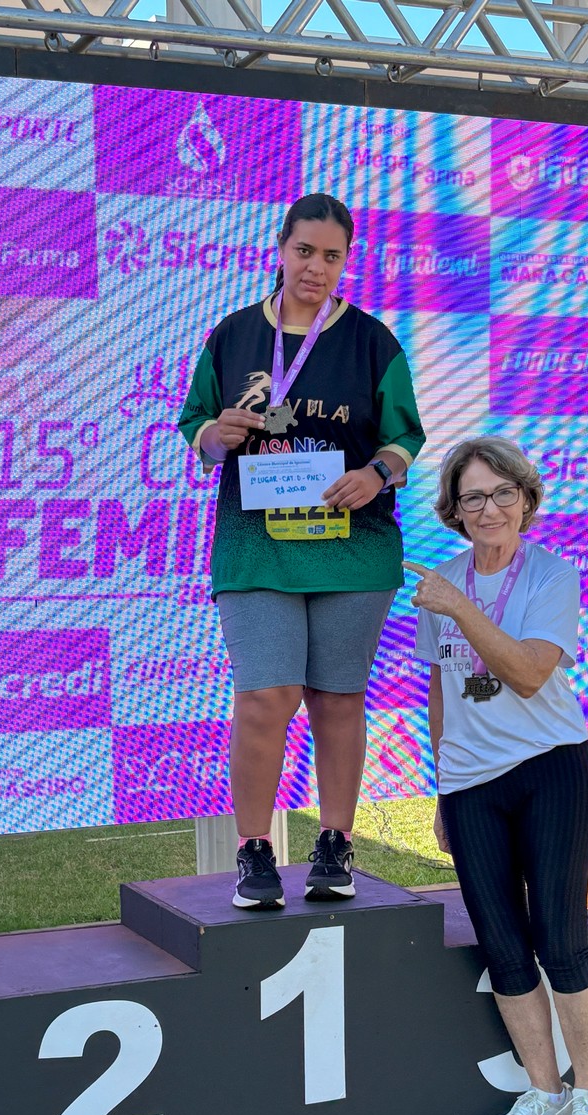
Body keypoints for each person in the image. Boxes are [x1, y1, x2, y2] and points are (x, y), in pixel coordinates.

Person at [178, 193, 426, 910]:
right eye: (304, 251)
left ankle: (334, 843)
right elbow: (195, 421)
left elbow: (406, 436)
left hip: (354, 548)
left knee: (337, 701)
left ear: (345, 262)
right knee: (264, 698)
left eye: (331, 256)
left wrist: (374, 472)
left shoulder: (373, 342)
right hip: (258, 549)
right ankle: (255, 851)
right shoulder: (232, 337)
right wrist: (214, 436)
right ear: (278, 250)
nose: (315, 267)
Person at [407, 436, 588, 1115]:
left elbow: (527, 672)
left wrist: (460, 607)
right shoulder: (443, 584)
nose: (488, 508)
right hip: (471, 785)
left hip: (551, 770)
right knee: (502, 945)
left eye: (501, 493)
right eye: (472, 497)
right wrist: (442, 784)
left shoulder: (550, 576)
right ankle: (544, 1095)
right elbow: (438, 686)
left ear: (525, 499)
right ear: (454, 512)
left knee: (559, 940)